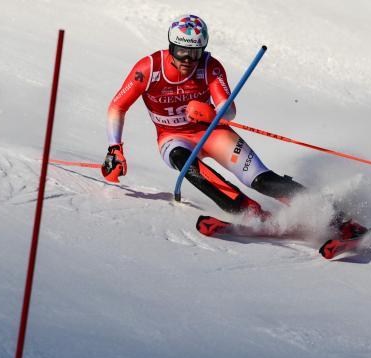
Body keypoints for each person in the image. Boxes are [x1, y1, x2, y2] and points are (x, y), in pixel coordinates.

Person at [102, 14, 305, 219]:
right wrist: (114, 148)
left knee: (260, 179)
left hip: (212, 132)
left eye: (195, 52)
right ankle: (248, 211)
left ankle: (322, 206)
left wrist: (212, 114)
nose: (188, 60)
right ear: (171, 47)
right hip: (172, 137)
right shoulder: (149, 69)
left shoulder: (210, 66)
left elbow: (229, 109)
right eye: (182, 52)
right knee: (183, 159)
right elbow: (117, 107)